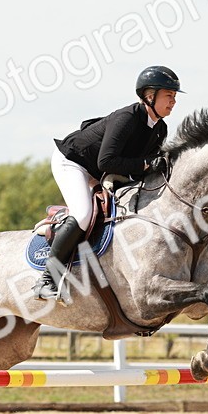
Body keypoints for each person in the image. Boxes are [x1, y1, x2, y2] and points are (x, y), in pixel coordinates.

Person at [32, 65, 183, 300]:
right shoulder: (127, 118)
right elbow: (106, 161)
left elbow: (137, 168)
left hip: (100, 170)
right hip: (72, 162)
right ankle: (46, 280)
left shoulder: (160, 128)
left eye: (174, 96)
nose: (173, 101)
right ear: (149, 96)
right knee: (83, 214)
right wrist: (146, 164)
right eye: (169, 95)